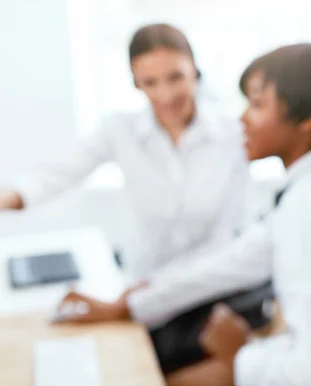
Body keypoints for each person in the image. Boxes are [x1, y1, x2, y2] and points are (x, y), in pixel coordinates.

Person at [162, 43, 311, 386]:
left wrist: (242, 354)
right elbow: (238, 259)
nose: (242, 119)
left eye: (256, 105)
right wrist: (134, 302)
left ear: (308, 119)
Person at [0, 23, 249, 277]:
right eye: (150, 82)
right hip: (147, 282)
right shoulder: (120, 130)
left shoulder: (233, 132)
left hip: (217, 283)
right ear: (136, 84)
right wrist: (9, 197)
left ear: (195, 71)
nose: (166, 94)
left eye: (176, 77)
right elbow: (59, 173)